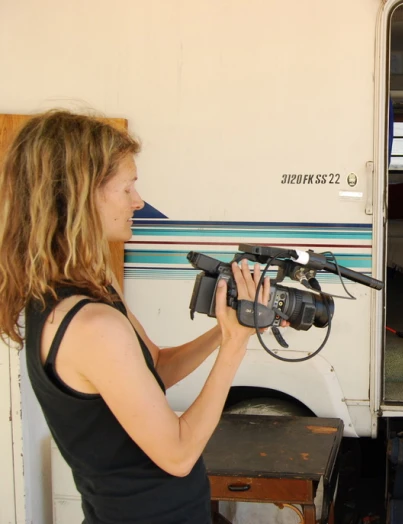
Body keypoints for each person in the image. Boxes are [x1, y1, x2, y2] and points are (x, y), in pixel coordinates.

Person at [0, 110, 282, 523]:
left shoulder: (89, 290)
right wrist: (236, 347)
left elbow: (157, 368)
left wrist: (228, 328)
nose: (139, 201)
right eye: (127, 187)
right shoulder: (92, 326)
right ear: (82, 195)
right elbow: (180, 454)